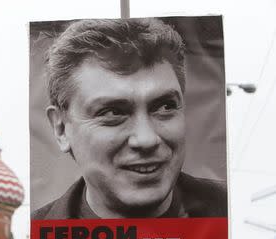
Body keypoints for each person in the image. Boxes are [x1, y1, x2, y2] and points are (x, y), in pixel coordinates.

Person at [32, 18, 227, 220]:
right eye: (112, 112)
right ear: (61, 128)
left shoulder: (232, 216)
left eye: (165, 106)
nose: (146, 139)